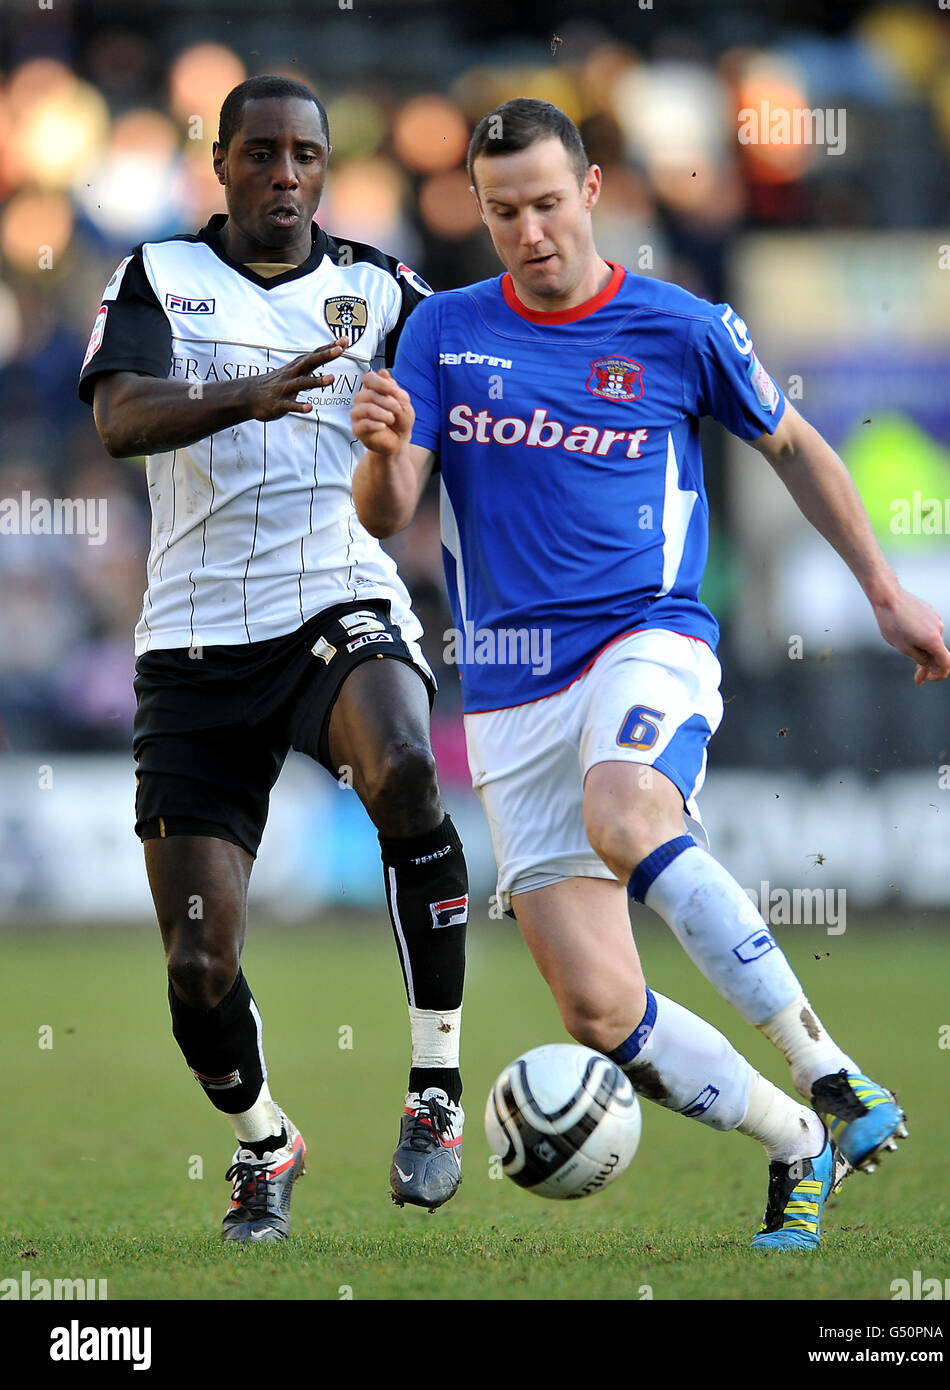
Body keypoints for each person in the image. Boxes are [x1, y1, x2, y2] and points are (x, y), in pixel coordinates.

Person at [350, 98, 950, 1250]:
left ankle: (831, 1069)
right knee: (597, 1007)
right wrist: (380, 459)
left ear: (589, 193)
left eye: (544, 203)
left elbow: (793, 444)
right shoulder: (442, 332)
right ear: (479, 214)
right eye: (501, 211)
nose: (528, 230)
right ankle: (796, 1139)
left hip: (647, 637)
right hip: (512, 692)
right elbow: (391, 511)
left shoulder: (680, 327)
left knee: (627, 808)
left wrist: (883, 586)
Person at [78, 76, 469, 1240]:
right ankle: (266, 1141)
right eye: (261, 154)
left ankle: (436, 1087)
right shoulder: (158, 276)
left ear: (326, 165)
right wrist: (249, 393)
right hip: (194, 642)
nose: (286, 175)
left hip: (333, 597)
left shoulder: (382, 291)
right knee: (199, 963)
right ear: (221, 163)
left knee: (402, 765)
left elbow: (457, 410)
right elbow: (118, 419)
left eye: (306, 154)